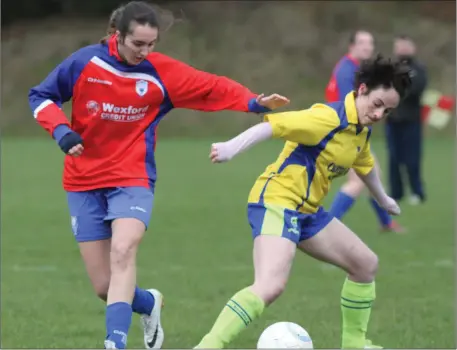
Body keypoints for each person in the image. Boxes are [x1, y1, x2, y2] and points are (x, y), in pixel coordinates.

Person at [28, 2, 289, 349]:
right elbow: (41, 96)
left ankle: (115, 343)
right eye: (138, 44)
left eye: (152, 44)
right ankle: (149, 303)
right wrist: (62, 131)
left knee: (123, 250)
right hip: (82, 181)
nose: (145, 51)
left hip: (132, 177)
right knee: (104, 287)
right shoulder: (84, 63)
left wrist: (253, 102)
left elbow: (210, 87)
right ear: (116, 35)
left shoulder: (159, 72)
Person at [195, 55, 411, 349]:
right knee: (270, 285)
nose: (379, 114)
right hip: (276, 201)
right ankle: (207, 346)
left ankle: (354, 344)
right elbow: (272, 125)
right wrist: (230, 148)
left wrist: (383, 199)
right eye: (377, 104)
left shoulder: (359, 132)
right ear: (362, 90)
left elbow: (365, 164)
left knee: (365, 264)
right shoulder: (327, 118)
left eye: (387, 110)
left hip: (307, 213)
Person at [325, 30, 405, 233]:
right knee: (357, 182)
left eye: (370, 43)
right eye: (362, 43)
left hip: (351, 132)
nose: (368, 47)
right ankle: (327, 226)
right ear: (352, 46)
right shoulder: (347, 71)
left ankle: (386, 223)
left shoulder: (353, 68)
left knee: (373, 176)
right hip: (344, 132)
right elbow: (349, 106)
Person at [386, 35, 427, 205]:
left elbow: (417, 88)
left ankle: (417, 192)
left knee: (412, 158)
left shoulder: (418, 68)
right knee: (394, 157)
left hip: (411, 120)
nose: (402, 48)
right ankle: (396, 193)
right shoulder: (390, 67)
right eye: (399, 45)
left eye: (405, 45)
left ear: (412, 47)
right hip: (392, 120)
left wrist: (397, 91)